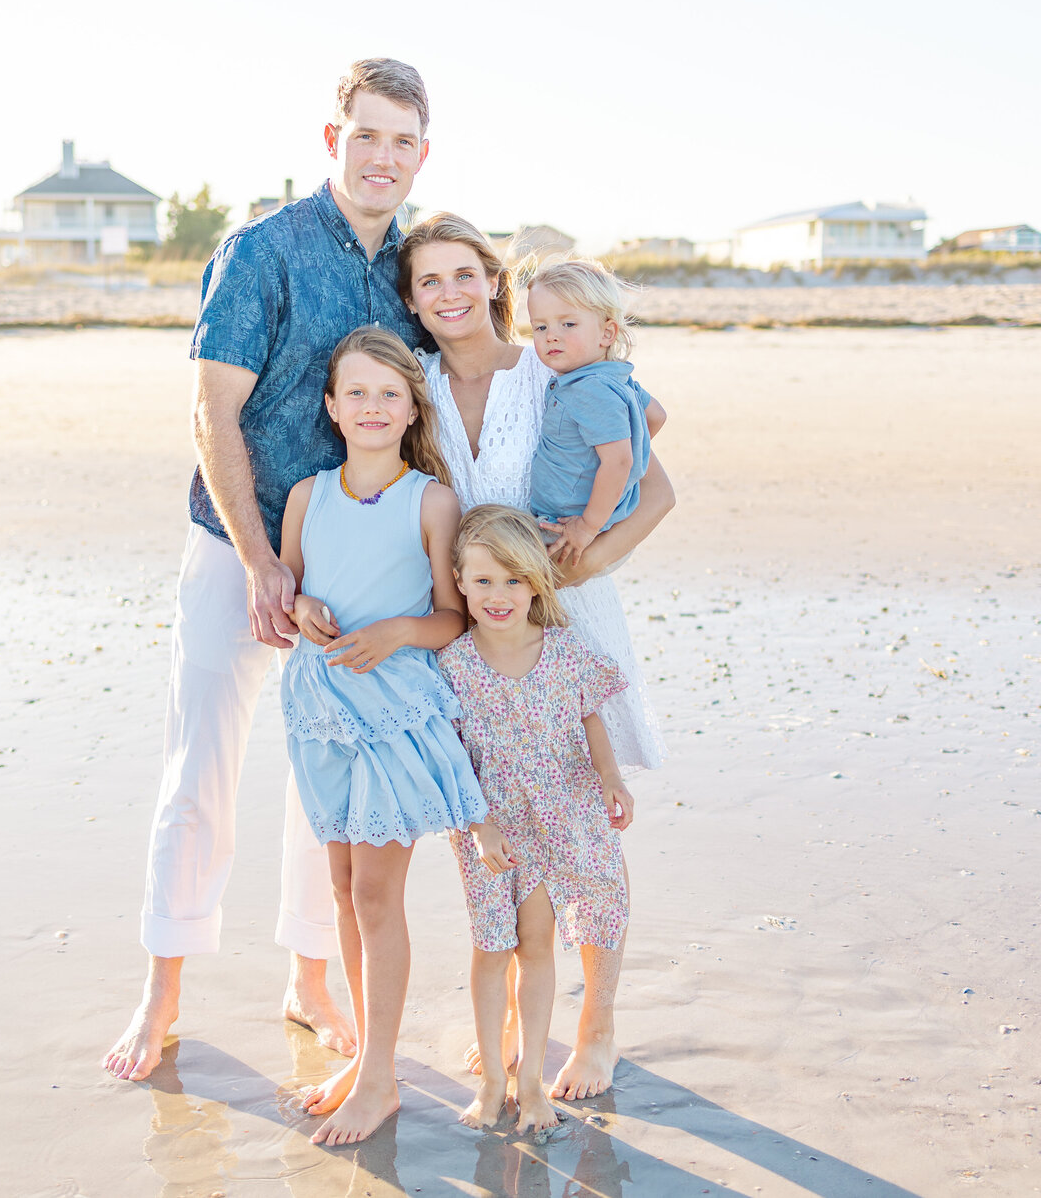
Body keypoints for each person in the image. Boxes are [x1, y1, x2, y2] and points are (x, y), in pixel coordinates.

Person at [103, 58, 432, 1083]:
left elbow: (468, 373)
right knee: (199, 769)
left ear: (423, 155)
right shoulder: (263, 249)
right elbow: (211, 409)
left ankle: (309, 976)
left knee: (323, 781)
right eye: (367, 135)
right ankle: (161, 995)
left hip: (348, 561)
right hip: (233, 552)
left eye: (403, 141)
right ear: (333, 141)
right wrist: (257, 561)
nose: (383, 157)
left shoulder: (414, 267)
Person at [399, 212, 675, 1099]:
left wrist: (590, 556)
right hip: (481, 632)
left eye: (464, 277)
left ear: (493, 284)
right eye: (427, 282)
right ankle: (523, 1017)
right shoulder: (418, 388)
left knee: (585, 828)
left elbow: (654, 478)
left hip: (570, 614)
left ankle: (597, 1022)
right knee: (505, 829)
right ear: (412, 300)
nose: (448, 296)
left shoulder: (550, 368)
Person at [281, 328, 486, 1145]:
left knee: (375, 893)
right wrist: (301, 610)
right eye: (355, 392)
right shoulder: (306, 494)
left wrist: (398, 630)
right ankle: (369, 1056)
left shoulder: (429, 500)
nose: (371, 406)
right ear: (332, 407)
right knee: (340, 887)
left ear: (411, 409)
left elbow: (452, 616)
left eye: (388, 394)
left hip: (395, 712)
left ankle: (381, 1078)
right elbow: (294, 590)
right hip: (321, 708)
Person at [439, 505, 633, 1134]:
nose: (500, 595)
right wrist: (477, 824)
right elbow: (449, 758)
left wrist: (610, 777)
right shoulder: (453, 665)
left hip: (555, 819)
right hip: (490, 829)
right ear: (460, 581)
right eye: (485, 580)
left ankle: (530, 1084)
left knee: (539, 945)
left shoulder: (564, 650)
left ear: (538, 584)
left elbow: (590, 718)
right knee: (492, 947)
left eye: (515, 580)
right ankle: (493, 1080)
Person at [526, 257, 664, 569]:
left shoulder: (590, 390)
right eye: (540, 326)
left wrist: (588, 525)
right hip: (588, 519)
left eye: (568, 324)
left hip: (567, 528)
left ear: (606, 333)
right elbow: (656, 415)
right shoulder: (614, 377)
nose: (551, 335)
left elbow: (618, 460)